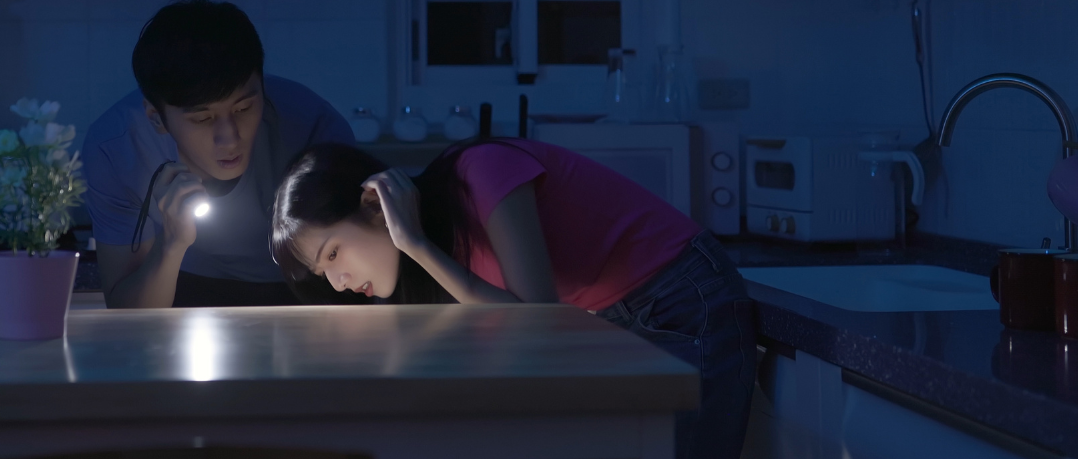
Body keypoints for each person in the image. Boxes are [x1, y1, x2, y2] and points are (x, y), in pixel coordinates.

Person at [271, 139, 756, 459]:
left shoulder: (482, 172)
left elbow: (539, 324)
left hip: (684, 297)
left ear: (376, 206)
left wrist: (416, 246)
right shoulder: (443, 252)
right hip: (614, 323)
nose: (336, 282)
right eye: (323, 271)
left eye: (333, 253)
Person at [83, 0, 353, 308]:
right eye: (203, 119)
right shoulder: (117, 149)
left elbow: (355, 270)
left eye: (244, 108)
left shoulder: (314, 128)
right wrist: (170, 245)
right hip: (179, 286)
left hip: (303, 289)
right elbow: (126, 310)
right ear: (156, 117)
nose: (230, 138)